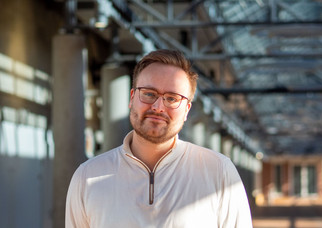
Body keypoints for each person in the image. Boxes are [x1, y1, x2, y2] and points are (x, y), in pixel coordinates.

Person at [65, 49, 253, 228]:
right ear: (132, 98)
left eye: (172, 98)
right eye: (148, 93)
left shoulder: (219, 172)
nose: (158, 106)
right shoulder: (88, 176)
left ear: (187, 109)